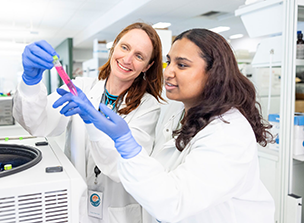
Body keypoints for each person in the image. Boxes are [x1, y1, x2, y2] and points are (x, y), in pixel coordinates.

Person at [54, 28, 276, 223]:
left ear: (214, 74)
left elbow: (174, 201)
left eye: (182, 65)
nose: (168, 71)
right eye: (169, 62)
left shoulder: (229, 133)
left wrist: (126, 144)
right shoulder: (177, 109)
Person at [13, 22, 164, 222]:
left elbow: (125, 167)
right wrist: (30, 82)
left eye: (139, 56)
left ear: (148, 66)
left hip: (117, 212)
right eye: (124, 47)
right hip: (76, 205)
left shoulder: (148, 106)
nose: (127, 59)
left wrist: (93, 121)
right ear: (114, 47)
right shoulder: (80, 87)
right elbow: (38, 123)